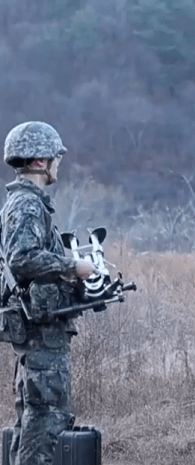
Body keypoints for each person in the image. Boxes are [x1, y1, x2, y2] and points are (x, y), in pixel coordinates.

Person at [1, 121, 98, 465]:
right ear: (41, 162)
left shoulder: (26, 203)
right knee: (45, 422)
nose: (60, 163)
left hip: (41, 333)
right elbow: (22, 258)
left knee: (33, 422)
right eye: (56, 157)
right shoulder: (27, 205)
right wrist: (73, 267)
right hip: (42, 337)